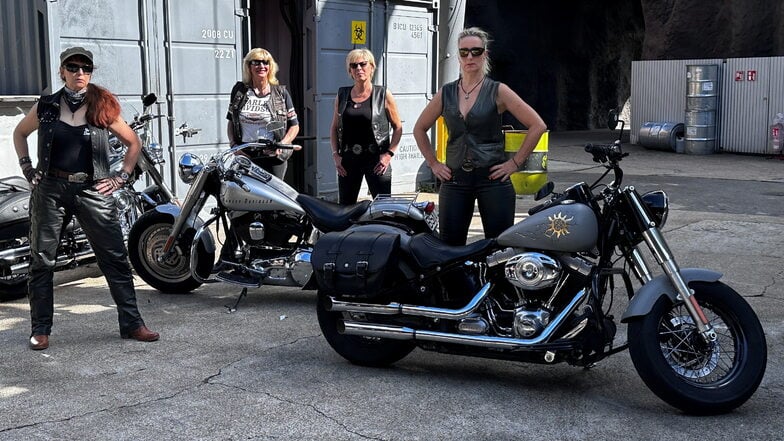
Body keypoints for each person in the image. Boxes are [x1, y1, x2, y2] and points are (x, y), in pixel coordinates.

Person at [12, 46, 159, 350]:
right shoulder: (47, 106)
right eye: (73, 67)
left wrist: (121, 177)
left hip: (93, 189)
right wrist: (28, 168)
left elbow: (133, 142)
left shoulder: (102, 105)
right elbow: (19, 133)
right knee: (42, 260)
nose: (80, 73)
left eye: (86, 68)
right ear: (62, 71)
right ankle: (40, 329)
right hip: (51, 189)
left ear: (91, 72)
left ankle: (132, 324)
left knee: (115, 257)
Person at [413, 27, 547, 246]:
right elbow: (419, 128)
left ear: (485, 53)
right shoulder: (446, 93)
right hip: (455, 180)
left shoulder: (498, 90)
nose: (470, 57)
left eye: (476, 51)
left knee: (498, 247)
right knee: (449, 248)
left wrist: (515, 163)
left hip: (492, 179)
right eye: (464, 52)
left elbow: (538, 125)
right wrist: (433, 163)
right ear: (458, 56)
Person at [330, 48, 403, 205]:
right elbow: (334, 128)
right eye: (354, 65)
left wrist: (388, 154)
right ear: (349, 70)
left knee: (382, 207)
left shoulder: (383, 94)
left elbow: (398, 127)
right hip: (348, 160)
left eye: (363, 64)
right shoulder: (342, 94)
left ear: (371, 67)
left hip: (376, 159)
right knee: (345, 208)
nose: (358, 69)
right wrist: (336, 155)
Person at [226, 48, 300, 179]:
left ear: (270, 66)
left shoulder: (280, 93)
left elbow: (294, 126)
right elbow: (231, 121)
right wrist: (234, 146)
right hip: (246, 154)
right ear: (248, 66)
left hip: (272, 156)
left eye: (266, 62)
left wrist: (281, 145)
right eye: (256, 62)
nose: (261, 66)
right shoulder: (240, 91)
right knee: (246, 196)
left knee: (272, 197)